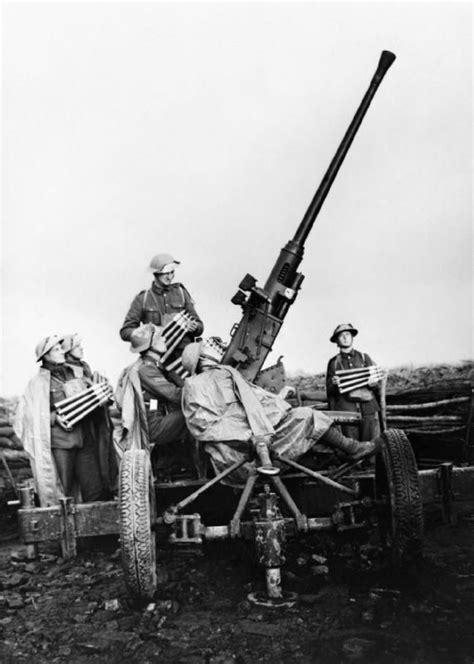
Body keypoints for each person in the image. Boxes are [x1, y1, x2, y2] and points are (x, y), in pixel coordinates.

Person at [181, 340, 381, 485]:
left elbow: (259, 403)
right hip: (236, 453)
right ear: (202, 357)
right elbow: (202, 425)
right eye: (210, 346)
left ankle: (352, 449)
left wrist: (279, 405)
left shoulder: (228, 374)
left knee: (305, 415)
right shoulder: (194, 385)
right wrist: (247, 435)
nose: (220, 346)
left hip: (266, 440)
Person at [14, 335, 117, 506]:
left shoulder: (74, 374)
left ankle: (96, 530)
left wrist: (103, 395)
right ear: (45, 356)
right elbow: (30, 415)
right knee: (64, 492)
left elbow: (89, 399)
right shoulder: (37, 384)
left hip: (84, 440)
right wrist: (55, 417)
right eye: (56, 349)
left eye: (62, 348)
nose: (62, 351)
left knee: (94, 490)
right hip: (61, 444)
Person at [115, 323, 191, 472]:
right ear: (151, 345)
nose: (163, 339)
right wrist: (201, 391)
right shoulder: (146, 369)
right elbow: (175, 395)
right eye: (159, 338)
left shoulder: (151, 365)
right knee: (193, 415)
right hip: (153, 425)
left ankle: (176, 464)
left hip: (155, 419)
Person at [119, 253, 204, 349]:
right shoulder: (143, 298)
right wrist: (145, 332)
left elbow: (200, 326)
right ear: (156, 273)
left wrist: (195, 327)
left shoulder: (181, 293)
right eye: (166, 273)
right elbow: (125, 331)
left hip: (183, 356)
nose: (170, 277)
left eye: (172, 272)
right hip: (156, 356)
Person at [326, 323, 381, 441]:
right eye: (341, 335)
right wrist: (335, 384)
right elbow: (329, 391)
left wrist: (373, 384)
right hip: (347, 411)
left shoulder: (364, 358)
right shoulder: (334, 363)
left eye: (348, 334)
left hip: (368, 409)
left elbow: (376, 384)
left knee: (371, 445)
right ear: (337, 341)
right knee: (352, 447)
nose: (345, 337)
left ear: (352, 337)